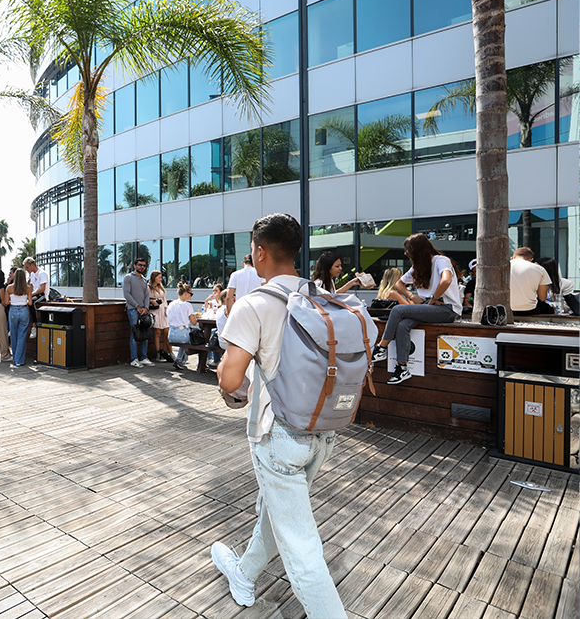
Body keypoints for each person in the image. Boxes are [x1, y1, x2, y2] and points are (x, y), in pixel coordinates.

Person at [211, 212, 346, 615]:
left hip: (278, 437)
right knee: (278, 514)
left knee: (302, 549)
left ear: (258, 252)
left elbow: (231, 379)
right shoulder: (321, 297)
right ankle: (244, 573)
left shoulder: (254, 304)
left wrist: (228, 377)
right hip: (323, 433)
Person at [369, 233, 461, 385]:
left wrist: (434, 298)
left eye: (408, 249)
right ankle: (402, 368)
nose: (405, 253)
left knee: (398, 310)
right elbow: (399, 284)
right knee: (403, 325)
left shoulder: (441, 260)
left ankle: (381, 348)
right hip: (429, 307)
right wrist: (412, 296)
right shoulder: (418, 266)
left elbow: (446, 280)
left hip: (447, 309)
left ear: (418, 249)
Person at [123, 257, 152, 368]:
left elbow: (146, 295)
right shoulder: (128, 277)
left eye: (144, 265)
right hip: (132, 310)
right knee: (135, 333)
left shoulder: (144, 280)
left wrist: (145, 308)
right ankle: (134, 359)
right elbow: (127, 294)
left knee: (145, 332)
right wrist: (137, 306)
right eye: (140, 265)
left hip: (144, 311)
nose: (142, 267)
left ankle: (143, 357)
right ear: (135, 266)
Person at [510, 247, 554, 316]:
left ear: (512, 258)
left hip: (504, 308)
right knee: (548, 309)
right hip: (529, 309)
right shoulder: (540, 269)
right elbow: (542, 298)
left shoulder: (502, 266)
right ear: (531, 260)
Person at [167, 283, 197, 370]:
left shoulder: (171, 304)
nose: (191, 296)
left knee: (185, 336)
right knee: (199, 338)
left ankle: (181, 360)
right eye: (191, 294)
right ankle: (203, 363)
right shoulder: (187, 305)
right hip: (181, 335)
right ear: (186, 293)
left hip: (171, 335)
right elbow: (194, 322)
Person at [7, 268, 33, 368]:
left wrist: (14, 302)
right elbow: (30, 302)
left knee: (13, 335)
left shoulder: (9, 288)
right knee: (22, 336)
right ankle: (19, 360)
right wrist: (23, 302)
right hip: (24, 310)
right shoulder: (27, 288)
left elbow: (6, 302)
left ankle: (15, 359)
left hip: (13, 311)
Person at [148, 270, 174, 363]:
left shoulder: (160, 287)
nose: (160, 279)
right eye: (159, 277)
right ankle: (158, 354)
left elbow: (164, 299)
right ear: (154, 277)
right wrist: (152, 301)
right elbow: (146, 298)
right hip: (155, 310)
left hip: (163, 311)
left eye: (160, 277)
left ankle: (171, 352)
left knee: (167, 332)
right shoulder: (149, 287)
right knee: (157, 333)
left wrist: (166, 309)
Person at [23, 257, 49, 338]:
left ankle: (34, 326)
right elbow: (31, 287)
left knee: (32, 302)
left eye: (27, 267)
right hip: (34, 294)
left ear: (32, 265)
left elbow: (42, 288)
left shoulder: (42, 273)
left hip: (42, 295)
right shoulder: (32, 274)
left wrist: (31, 295)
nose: (26, 269)